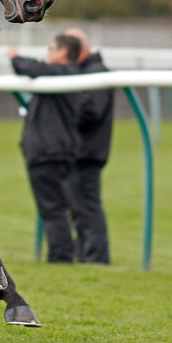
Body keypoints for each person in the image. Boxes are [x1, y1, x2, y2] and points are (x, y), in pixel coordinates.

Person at [7, 34, 82, 263]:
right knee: (56, 207)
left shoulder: (64, 73)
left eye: (51, 48)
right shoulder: (65, 75)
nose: (48, 53)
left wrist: (15, 57)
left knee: (53, 208)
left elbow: (30, 67)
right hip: (53, 150)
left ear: (62, 52)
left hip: (48, 152)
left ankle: (61, 257)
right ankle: (64, 254)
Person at [64, 28, 113, 264]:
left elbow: (91, 112)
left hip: (87, 152)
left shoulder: (96, 73)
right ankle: (86, 255)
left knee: (87, 208)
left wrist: (62, 112)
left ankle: (95, 258)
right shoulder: (88, 71)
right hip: (81, 151)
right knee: (80, 208)